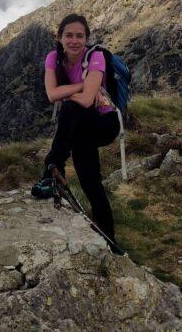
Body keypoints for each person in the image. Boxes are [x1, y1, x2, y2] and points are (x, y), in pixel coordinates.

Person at [31, 13, 121, 248]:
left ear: (87, 38)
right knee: (91, 183)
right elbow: (51, 95)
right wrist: (84, 84)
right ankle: (110, 240)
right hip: (79, 129)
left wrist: (68, 91)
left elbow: (87, 99)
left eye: (80, 36)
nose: (74, 41)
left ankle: (51, 170)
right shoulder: (53, 58)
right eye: (69, 35)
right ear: (59, 38)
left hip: (105, 124)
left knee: (71, 106)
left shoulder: (97, 57)